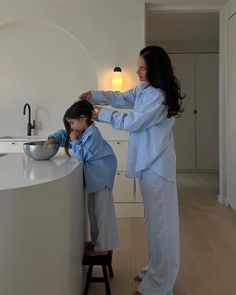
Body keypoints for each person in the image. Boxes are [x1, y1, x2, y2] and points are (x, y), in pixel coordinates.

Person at [79, 46, 184, 294]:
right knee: (154, 225)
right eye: (139, 66)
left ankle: (159, 286)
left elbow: (133, 122)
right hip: (150, 165)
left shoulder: (159, 97)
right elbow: (122, 98)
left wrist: (100, 115)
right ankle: (155, 271)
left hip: (158, 167)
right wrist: (93, 94)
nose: (138, 71)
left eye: (143, 67)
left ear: (155, 69)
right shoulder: (145, 90)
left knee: (163, 229)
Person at [46, 100, 119, 256]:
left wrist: (73, 140)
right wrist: (54, 138)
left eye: (72, 122)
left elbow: (81, 155)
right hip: (95, 178)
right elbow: (63, 133)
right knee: (93, 212)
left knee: (102, 213)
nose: (71, 127)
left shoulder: (93, 135)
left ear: (83, 118)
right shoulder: (81, 131)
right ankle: (96, 243)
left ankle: (103, 247)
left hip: (102, 177)